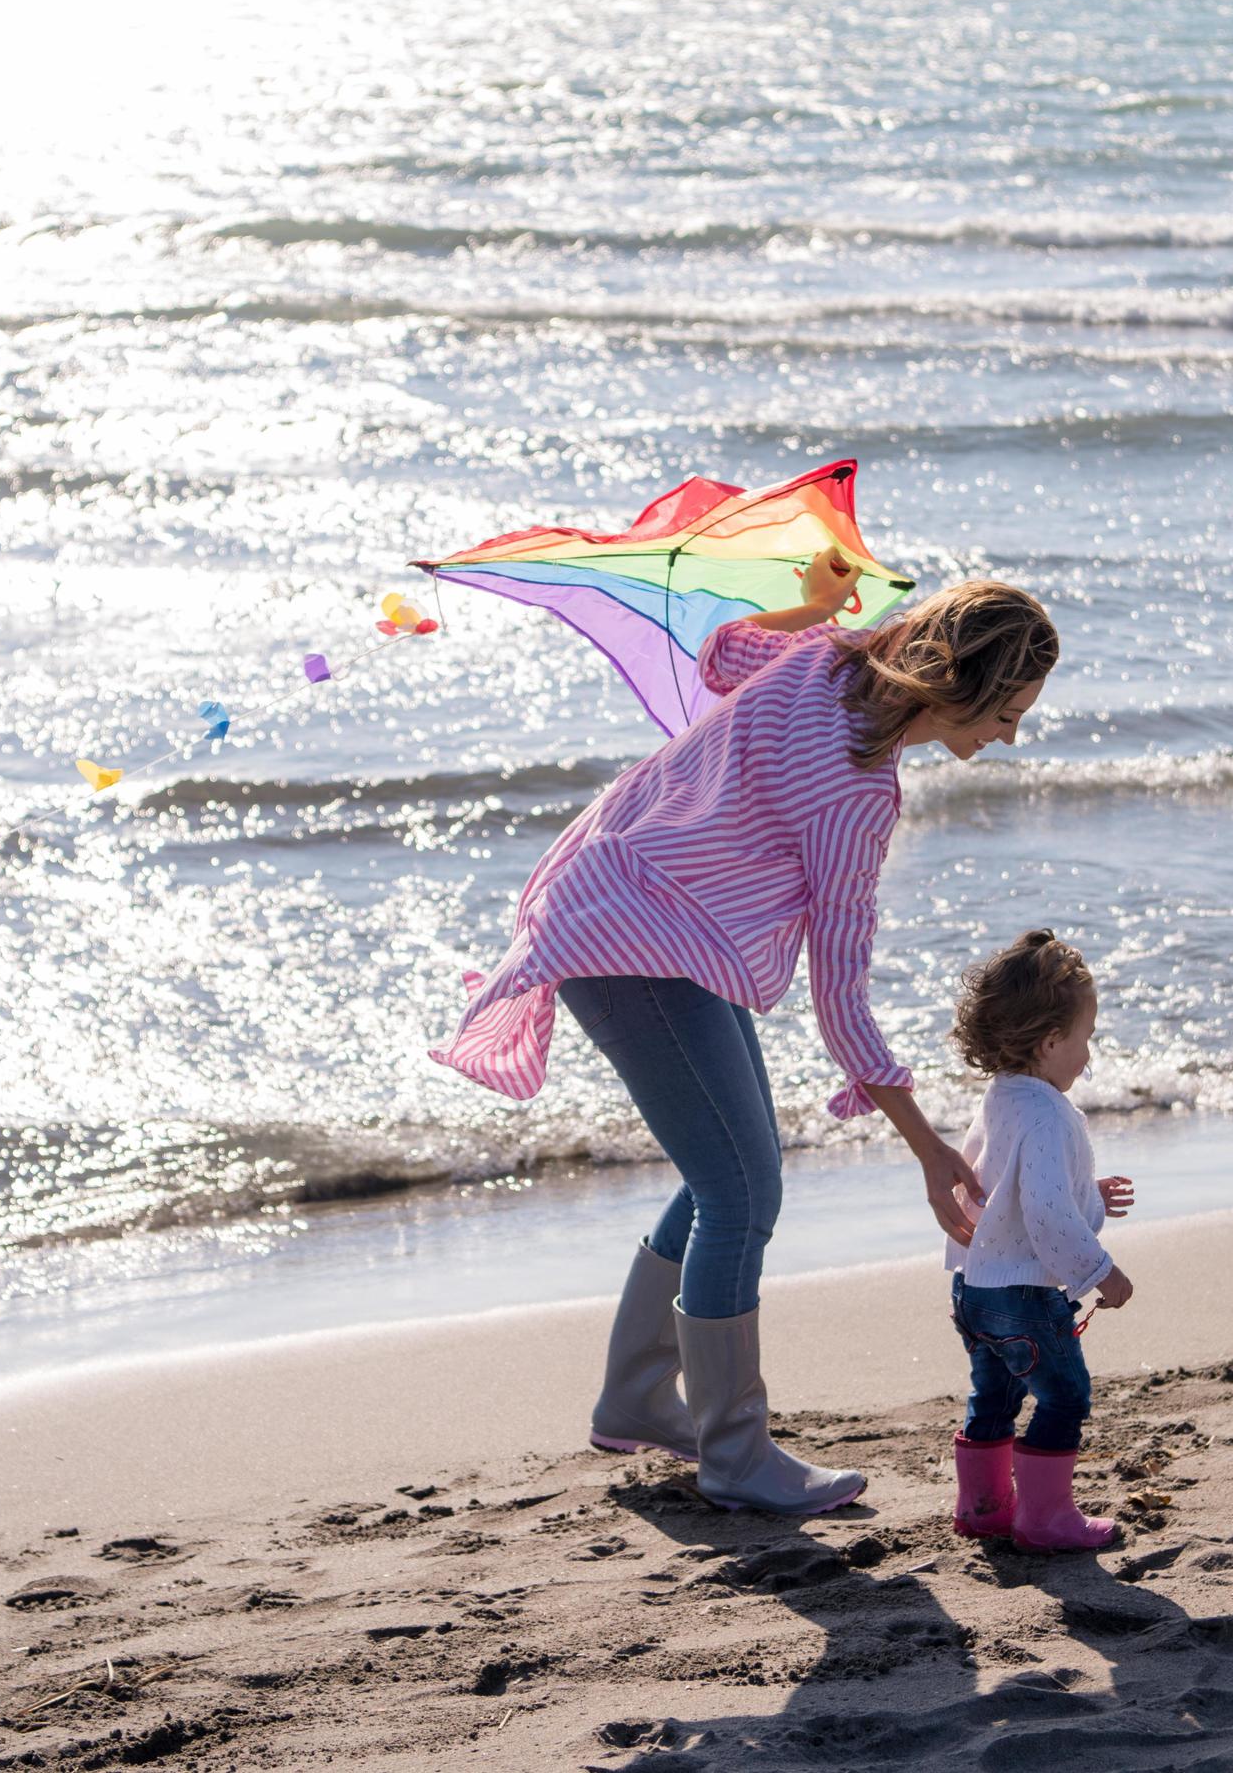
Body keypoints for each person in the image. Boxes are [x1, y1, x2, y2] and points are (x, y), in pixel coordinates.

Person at [437, 561, 1061, 1514]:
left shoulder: (825, 657)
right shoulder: (859, 792)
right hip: (630, 938)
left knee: (730, 1166)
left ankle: (639, 1396)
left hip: (648, 912)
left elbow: (726, 647)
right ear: (962, 683)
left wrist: (815, 604)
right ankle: (733, 1452)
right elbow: (841, 996)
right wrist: (929, 1149)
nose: (1009, 735)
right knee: (743, 1189)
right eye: (1008, 711)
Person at [943, 930, 1137, 1552]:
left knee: (993, 1394)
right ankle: (1045, 1519)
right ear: (1051, 1042)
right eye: (1085, 1039)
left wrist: (1088, 1194)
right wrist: (1100, 1272)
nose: (1088, 1054)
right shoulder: (1052, 1112)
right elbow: (1048, 1218)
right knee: (1065, 1396)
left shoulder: (1001, 1096)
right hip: (1025, 1297)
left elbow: (997, 1188)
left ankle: (983, 1509)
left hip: (976, 1289)